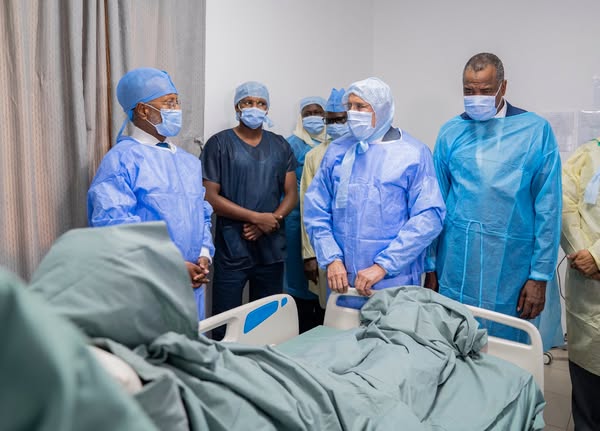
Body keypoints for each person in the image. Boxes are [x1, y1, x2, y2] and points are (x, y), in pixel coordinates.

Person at [424, 52, 563, 348]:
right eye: (469, 91)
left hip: (513, 267)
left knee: (507, 351)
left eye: (485, 91)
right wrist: (430, 264)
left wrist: (539, 276)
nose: (477, 98)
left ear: (503, 87)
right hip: (457, 265)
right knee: (455, 346)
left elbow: (549, 209)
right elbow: (435, 204)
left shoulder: (534, 131)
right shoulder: (451, 132)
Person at [87, 67, 214, 320]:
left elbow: (201, 215)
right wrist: (171, 264)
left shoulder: (188, 162)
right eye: (169, 103)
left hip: (192, 282)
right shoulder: (122, 160)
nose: (176, 109)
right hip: (146, 284)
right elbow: (114, 226)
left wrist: (203, 254)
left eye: (177, 102)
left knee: (188, 341)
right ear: (143, 110)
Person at [303, 77, 446, 300]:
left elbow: (428, 217)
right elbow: (316, 210)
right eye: (350, 106)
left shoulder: (413, 154)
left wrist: (383, 266)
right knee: (339, 324)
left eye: (361, 106)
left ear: (382, 109)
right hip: (342, 280)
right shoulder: (337, 151)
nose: (353, 113)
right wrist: (332, 259)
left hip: (393, 281)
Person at [201, 81, 297, 339]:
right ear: (237, 107)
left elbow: (291, 194)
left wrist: (270, 221)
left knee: (267, 323)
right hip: (233, 247)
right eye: (248, 102)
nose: (255, 107)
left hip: (271, 247)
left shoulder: (280, 145)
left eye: (261, 103)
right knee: (225, 324)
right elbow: (209, 197)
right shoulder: (219, 144)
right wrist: (256, 218)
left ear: (267, 109)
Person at [561, 136, 600, 430]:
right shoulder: (583, 157)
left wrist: (598, 257)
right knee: (588, 402)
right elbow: (563, 208)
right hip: (587, 291)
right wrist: (583, 256)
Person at [300, 88, 348, 308]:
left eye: (341, 120)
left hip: (359, 246)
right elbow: (308, 206)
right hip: (325, 244)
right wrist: (310, 254)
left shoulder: (366, 151)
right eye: (331, 121)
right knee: (330, 306)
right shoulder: (315, 156)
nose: (335, 125)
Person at [284, 96, 328, 333]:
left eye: (318, 112)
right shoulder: (291, 144)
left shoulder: (335, 145)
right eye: (307, 113)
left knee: (327, 283)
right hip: (295, 220)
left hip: (325, 222)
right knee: (299, 279)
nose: (313, 117)